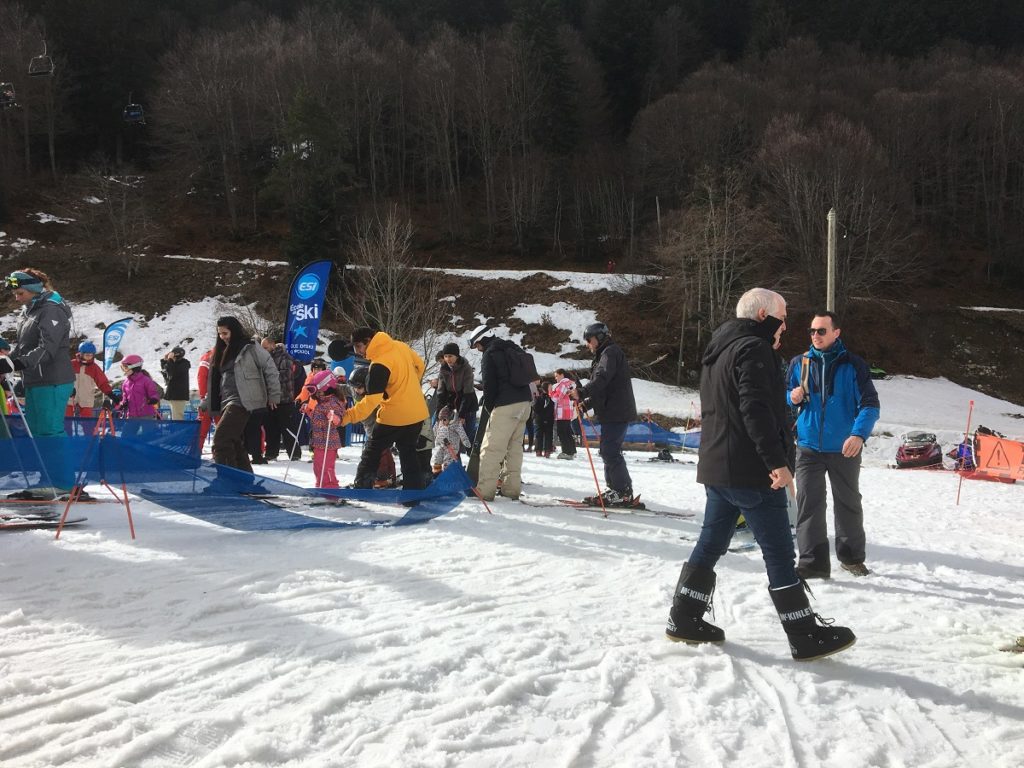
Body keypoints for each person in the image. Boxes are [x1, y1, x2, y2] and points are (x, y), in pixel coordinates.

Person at [664, 287, 856, 660]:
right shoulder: (754, 349)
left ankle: (683, 617)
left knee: (711, 542)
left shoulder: (719, 349)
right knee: (780, 554)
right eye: (782, 318)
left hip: (719, 468)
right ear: (763, 313)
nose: (786, 327)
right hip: (753, 471)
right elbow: (754, 409)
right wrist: (777, 463)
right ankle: (804, 634)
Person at [787, 311, 880, 579]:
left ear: (836, 332)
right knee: (808, 503)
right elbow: (785, 396)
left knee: (848, 502)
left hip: (844, 448)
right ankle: (812, 563)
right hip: (808, 448)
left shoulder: (854, 365)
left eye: (821, 331)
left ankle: (851, 559)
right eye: (812, 331)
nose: (815, 336)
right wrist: (791, 397)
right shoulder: (799, 363)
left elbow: (870, 405)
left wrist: (858, 435)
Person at [0, 269, 80, 500]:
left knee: (49, 431)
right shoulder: (30, 312)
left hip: (52, 379)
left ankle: (62, 483)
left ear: (34, 289)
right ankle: (48, 479)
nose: (16, 298)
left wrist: (16, 363)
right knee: (38, 432)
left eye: (20, 292)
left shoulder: (51, 309)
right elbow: (23, 348)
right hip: (35, 380)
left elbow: (48, 348)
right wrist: (8, 362)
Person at [338, 328, 429, 490]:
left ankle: (362, 487)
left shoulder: (379, 364)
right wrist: (409, 386)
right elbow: (420, 365)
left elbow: (370, 402)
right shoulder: (400, 346)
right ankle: (414, 491)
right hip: (417, 413)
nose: (358, 352)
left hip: (394, 415)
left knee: (372, 450)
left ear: (368, 341)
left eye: (359, 346)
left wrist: (346, 417)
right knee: (408, 453)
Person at [200, 316, 281, 472]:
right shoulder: (220, 351)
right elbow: (216, 381)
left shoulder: (250, 347)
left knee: (221, 440)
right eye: (220, 334)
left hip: (244, 400)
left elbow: (270, 368)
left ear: (234, 331)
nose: (222, 337)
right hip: (226, 400)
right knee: (234, 441)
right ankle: (246, 480)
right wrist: (207, 401)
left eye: (225, 333)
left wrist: (274, 395)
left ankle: (226, 480)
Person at [571, 322, 637, 506]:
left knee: (610, 451)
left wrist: (582, 392)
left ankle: (622, 491)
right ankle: (615, 489)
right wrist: (587, 404)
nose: (587, 344)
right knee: (608, 451)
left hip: (617, 411)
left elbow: (602, 378)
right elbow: (605, 388)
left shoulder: (610, 353)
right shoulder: (605, 354)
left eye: (589, 340)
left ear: (599, 338)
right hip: (612, 411)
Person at [470, 325, 533, 501]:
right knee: (514, 448)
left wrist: (489, 408)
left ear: (482, 339)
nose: (477, 349)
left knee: (491, 449)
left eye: (476, 345)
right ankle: (511, 490)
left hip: (505, 405)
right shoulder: (511, 347)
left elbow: (490, 387)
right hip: (525, 403)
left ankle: (484, 491)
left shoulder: (490, 354)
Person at [348, 365, 397, 487]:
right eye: (354, 387)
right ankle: (390, 476)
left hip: (378, 428)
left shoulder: (373, 397)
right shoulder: (355, 391)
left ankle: (383, 477)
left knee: (380, 453)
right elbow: (344, 388)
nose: (356, 390)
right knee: (383, 452)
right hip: (368, 427)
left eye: (358, 387)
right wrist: (332, 386)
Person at [260, 335, 302, 461]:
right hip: (270, 399)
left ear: (273, 345)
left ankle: (294, 453)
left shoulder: (285, 357)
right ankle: (271, 452)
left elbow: (285, 376)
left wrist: (269, 377)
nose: (264, 350)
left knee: (288, 428)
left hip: (284, 399)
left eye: (266, 347)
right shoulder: (265, 359)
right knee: (271, 428)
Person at [301, 370, 345, 489]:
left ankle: (331, 487)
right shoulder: (321, 403)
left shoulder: (334, 402)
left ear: (326, 388)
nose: (317, 395)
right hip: (319, 442)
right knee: (318, 466)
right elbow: (319, 420)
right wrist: (309, 411)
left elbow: (340, 417)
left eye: (319, 392)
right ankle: (320, 485)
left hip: (329, 442)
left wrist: (335, 418)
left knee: (327, 467)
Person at [433, 342, 478, 448]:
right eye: (446, 356)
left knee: (468, 436)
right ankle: (454, 462)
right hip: (451, 405)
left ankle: (475, 457)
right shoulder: (444, 369)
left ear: (456, 356)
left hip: (467, 404)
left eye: (451, 356)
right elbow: (441, 392)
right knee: (451, 437)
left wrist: (462, 415)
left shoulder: (465, 368)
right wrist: (440, 412)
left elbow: (468, 392)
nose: (448, 359)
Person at [67, 341, 113, 418]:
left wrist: (111, 394)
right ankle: (67, 430)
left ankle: (88, 430)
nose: (89, 357)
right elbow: (62, 378)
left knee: (87, 422)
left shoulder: (94, 368)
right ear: (81, 354)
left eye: (91, 355)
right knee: (67, 420)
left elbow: (102, 383)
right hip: (70, 396)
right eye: (87, 355)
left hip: (86, 398)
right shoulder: (72, 364)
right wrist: (66, 388)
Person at [116, 354, 161, 419]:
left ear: (134, 367)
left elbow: (153, 393)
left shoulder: (146, 380)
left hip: (146, 414)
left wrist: (153, 399)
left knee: (148, 429)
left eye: (125, 367)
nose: (124, 370)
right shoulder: (126, 383)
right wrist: (123, 403)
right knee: (128, 429)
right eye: (122, 367)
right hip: (132, 414)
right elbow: (125, 396)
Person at [430, 406, 472, 475]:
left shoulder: (456, 424)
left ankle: (448, 474)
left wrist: (466, 442)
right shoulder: (439, 423)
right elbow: (434, 432)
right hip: (441, 446)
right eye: (441, 419)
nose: (442, 422)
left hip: (452, 448)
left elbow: (462, 434)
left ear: (450, 418)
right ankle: (436, 474)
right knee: (437, 458)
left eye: (444, 420)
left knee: (448, 462)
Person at [549, 369, 577, 459]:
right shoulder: (570, 383)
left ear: (562, 375)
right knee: (568, 431)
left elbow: (557, 398)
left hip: (562, 411)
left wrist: (551, 392)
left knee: (562, 432)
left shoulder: (563, 383)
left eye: (556, 376)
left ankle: (566, 452)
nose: (556, 378)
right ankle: (572, 450)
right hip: (568, 410)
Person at [160, 346, 191, 420]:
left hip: (178, 396)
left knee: (177, 418)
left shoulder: (183, 364)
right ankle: (175, 430)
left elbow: (172, 373)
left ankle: (178, 431)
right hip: (173, 395)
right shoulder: (174, 364)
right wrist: (164, 360)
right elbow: (166, 371)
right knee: (175, 417)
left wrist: (170, 360)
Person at [196, 348, 215, 451]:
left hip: (209, 397)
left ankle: (196, 452)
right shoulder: (210, 357)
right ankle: (220, 455)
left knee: (201, 429)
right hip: (217, 398)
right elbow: (202, 377)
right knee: (223, 429)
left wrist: (203, 396)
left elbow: (201, 377)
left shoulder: (206, 357)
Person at [532, 380, 554, 457]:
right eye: (551, 388)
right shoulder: (551, 399)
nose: (552, 389)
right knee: (548, 435)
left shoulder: (538, 398)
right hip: (548, 419)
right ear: (546, 388)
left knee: (539, 435)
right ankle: (547, 451)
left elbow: (535, 408)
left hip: (539, 419)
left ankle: (538, 450)